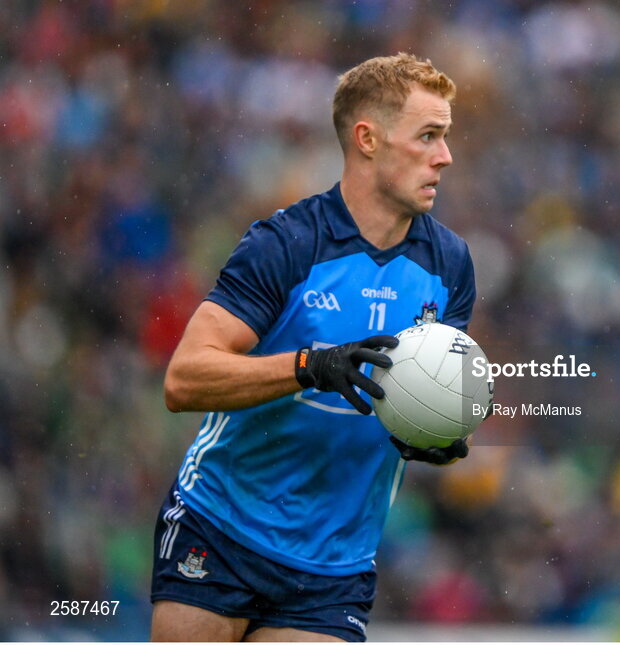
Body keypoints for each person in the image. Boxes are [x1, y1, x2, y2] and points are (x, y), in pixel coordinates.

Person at [149, 53, 475, 642]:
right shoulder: (287, 243)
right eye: (428, 136)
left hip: (333, 567)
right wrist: (310, 366)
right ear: (367, 139)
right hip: (221, 525)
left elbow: (431, 392)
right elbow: (184, 379)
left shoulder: (451, 266)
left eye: (445, 137)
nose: (444, 156)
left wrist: (435, 431)